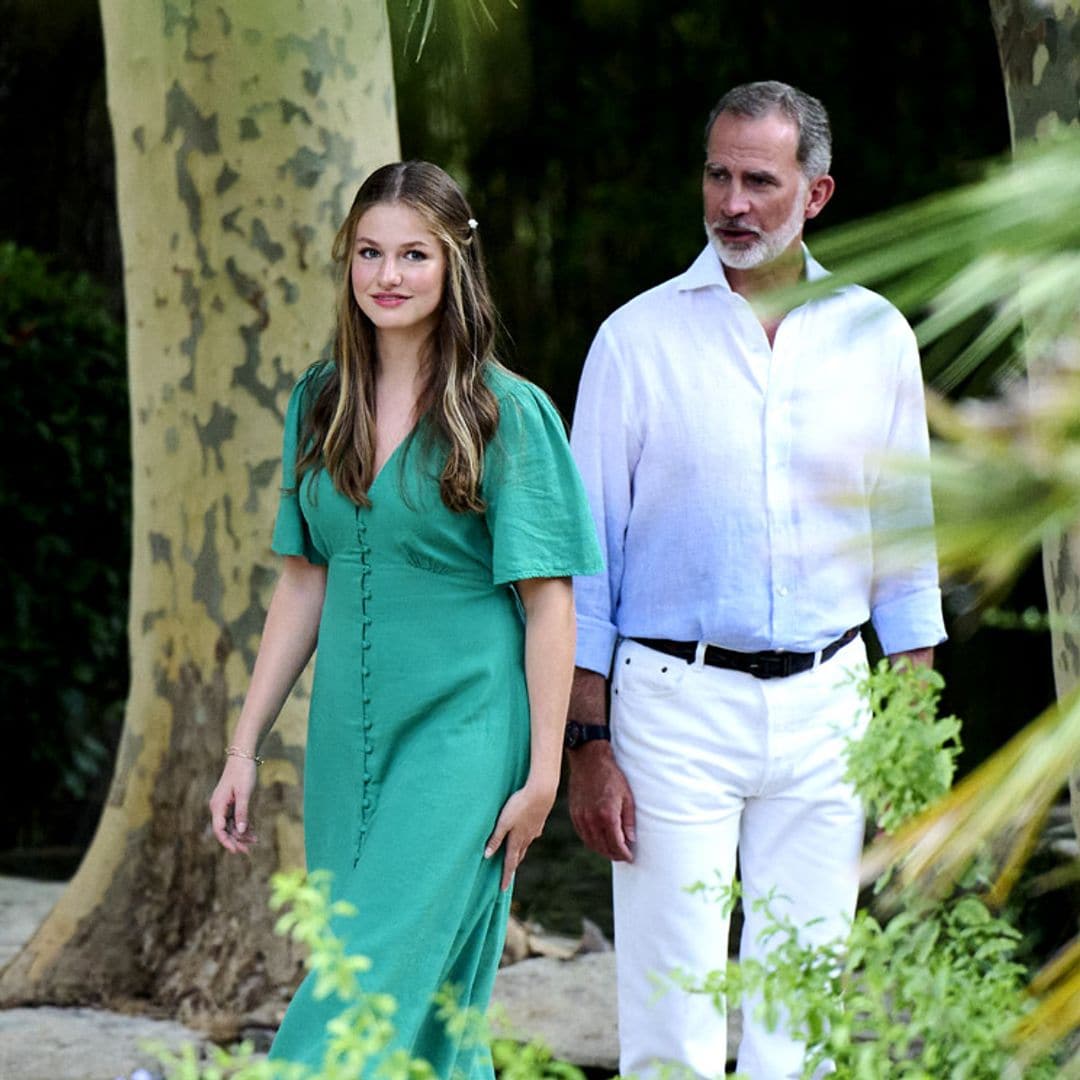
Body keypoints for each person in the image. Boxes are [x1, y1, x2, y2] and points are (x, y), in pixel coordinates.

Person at [566, 81, 946, 1078]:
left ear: (816, 194)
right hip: (671, 709)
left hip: (831, 706)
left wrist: (910, 722)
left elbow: (905, 543)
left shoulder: (875, 337)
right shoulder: (635, 342)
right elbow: (585, 563)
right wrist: (587, 741)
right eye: (719, 176)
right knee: (672, 1022)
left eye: (760, 182)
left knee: (801, 1021)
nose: (733, 203)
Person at [208, 160, 602, 1078]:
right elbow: (303, 584)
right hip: (347, 736)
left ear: (454, 264)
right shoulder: (318, 401)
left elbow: (551, 606)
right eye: (370, 253)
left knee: (366, 981)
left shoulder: (508, 412)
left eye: (414, 255)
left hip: (467, 732)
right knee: (418, 996)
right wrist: (243, 745)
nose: (389, 275)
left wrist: (545, 771)